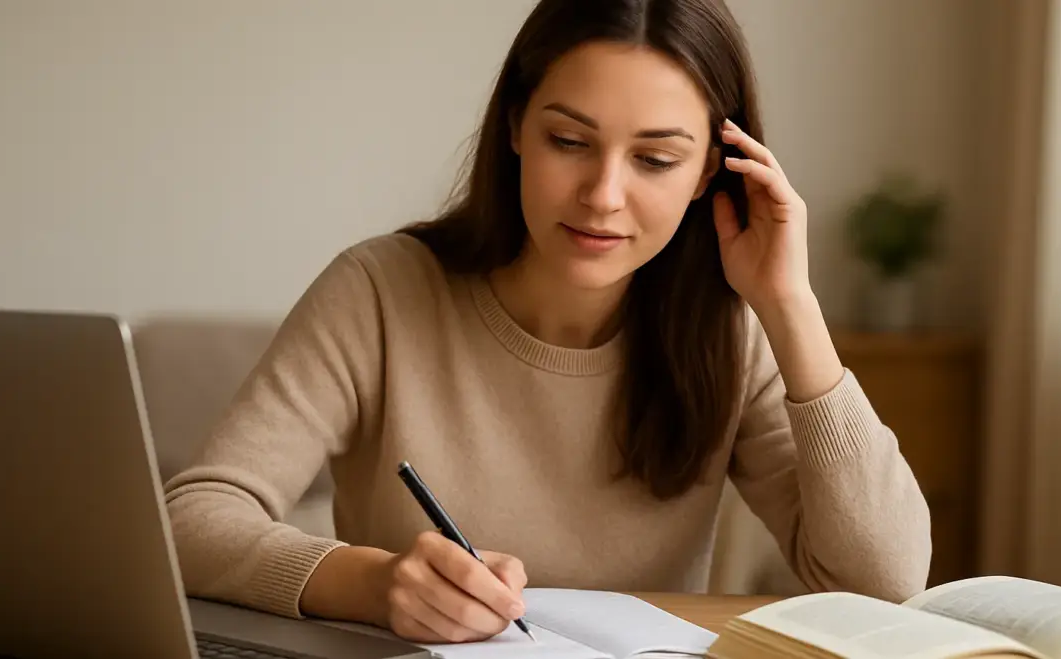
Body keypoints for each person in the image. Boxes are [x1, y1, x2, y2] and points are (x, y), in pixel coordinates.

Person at [163, 0, 932, 645]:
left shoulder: (728, 330)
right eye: (570, 141)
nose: (602, 194)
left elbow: (882, 582)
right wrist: (371, 581)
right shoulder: (380, 290)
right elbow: (189, 519)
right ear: (515, 128)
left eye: (655, 160)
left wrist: (791, 304)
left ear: (709, 174)